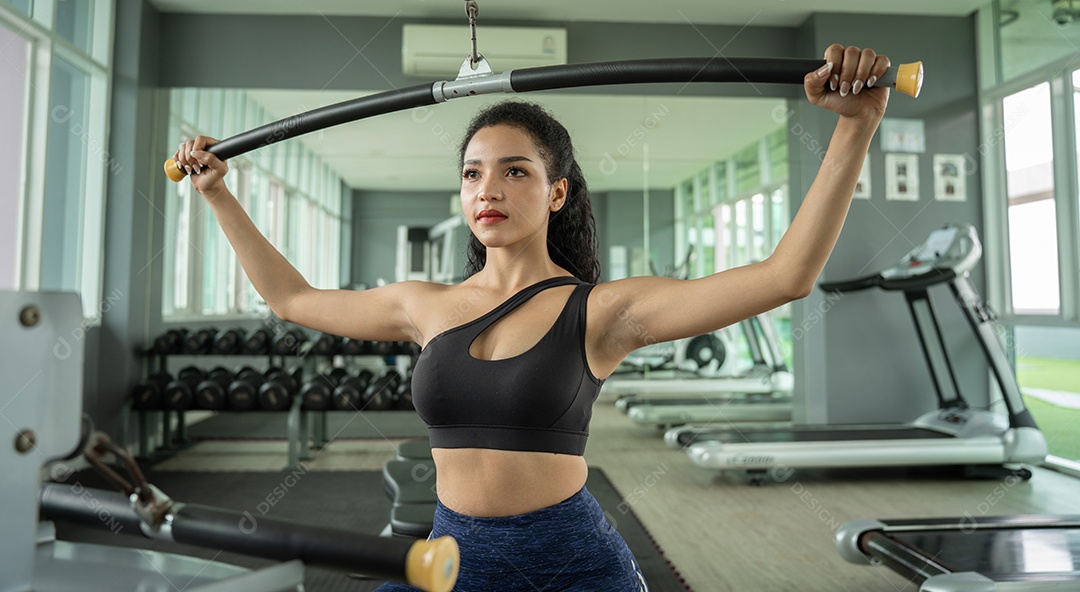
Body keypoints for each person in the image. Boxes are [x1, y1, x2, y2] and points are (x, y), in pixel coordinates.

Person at [173, 43, 891, 591]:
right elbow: (292, 301)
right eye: (473, 172)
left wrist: (855, 127)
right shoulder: (421, 304)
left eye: (515, 170)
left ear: (555, 193)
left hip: (571, 563)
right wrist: (218, 197)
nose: (489, 187)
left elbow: (785, 276)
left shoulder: (602, 311)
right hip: (449, 554)